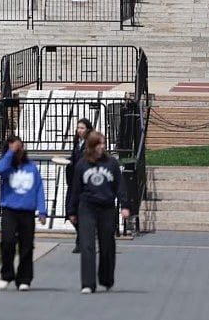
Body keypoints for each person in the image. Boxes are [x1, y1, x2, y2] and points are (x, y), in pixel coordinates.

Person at [67, 131, 130, 294]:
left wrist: (125, 206)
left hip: (107, 208)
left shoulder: (112, 164)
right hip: (87, 208)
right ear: (92, 146)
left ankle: (106, 278)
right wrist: (71, 211)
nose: (103, 146)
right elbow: (76, 189)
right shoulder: (82, 164)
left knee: (107, 244)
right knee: (87, 245)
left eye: (103, 143)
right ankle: (88, 283)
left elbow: (120, 185)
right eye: (99, 144)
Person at [0, 134, 47, 291]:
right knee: (7, 242)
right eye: (17, 148)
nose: (19, 151)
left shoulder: (31, 168)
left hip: (27, 211)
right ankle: (6, 274)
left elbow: (39, 189)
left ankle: (24, 278)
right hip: (10, 209)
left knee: (27, 246)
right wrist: (10, 152)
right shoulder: (7, 167)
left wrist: (42, 211)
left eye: (20, 148)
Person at [66, 118, 94, 254]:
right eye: (78, 128)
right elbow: (74, 158)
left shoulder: (90, 143)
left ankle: (82, 242)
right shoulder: (77, 143)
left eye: (82, 128)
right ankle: (81, 238)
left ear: (88, 129)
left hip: (85, 182)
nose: (79, 130)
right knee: (70, 211)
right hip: (74, 181)